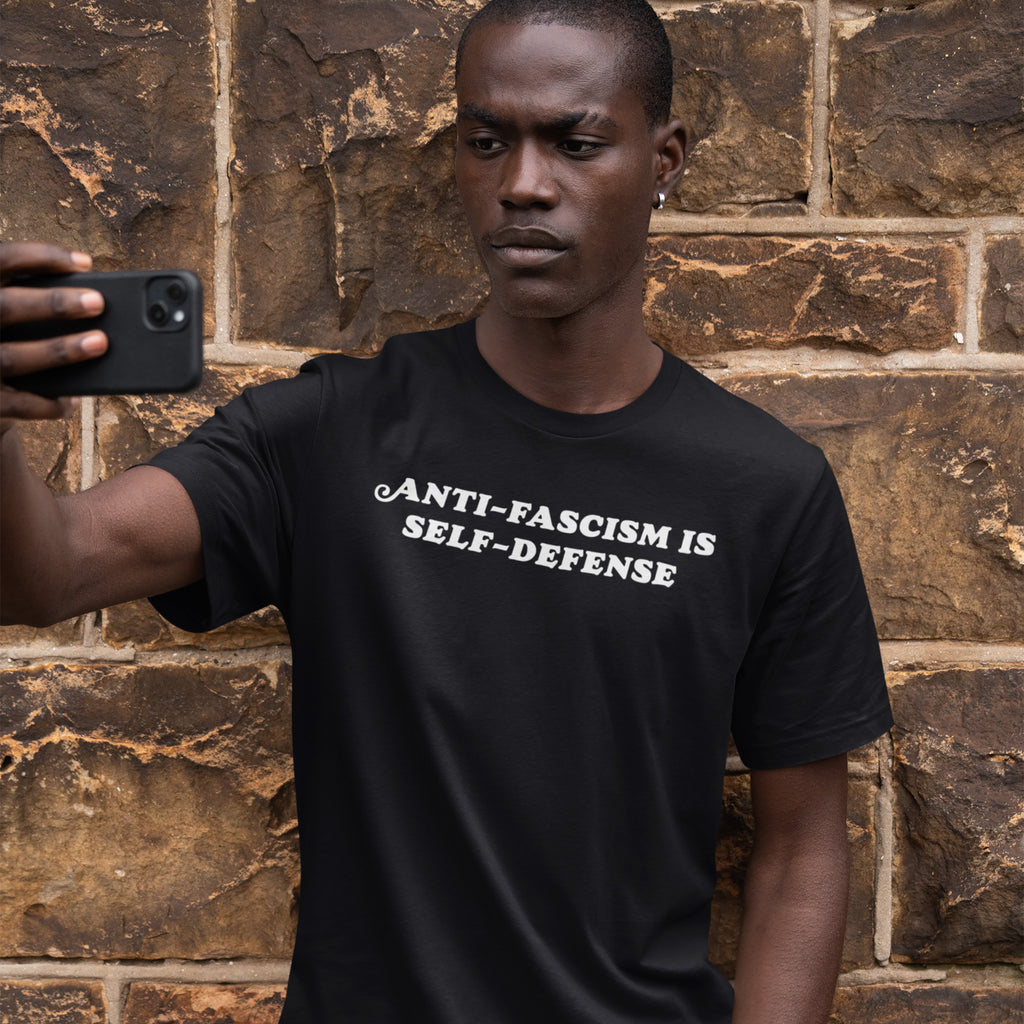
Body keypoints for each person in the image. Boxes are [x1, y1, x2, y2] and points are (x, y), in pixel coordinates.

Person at [0, 0, 893, 1021]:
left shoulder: (764, 486)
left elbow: (800, 847)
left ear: (665, 156)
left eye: (575, 142)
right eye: (485, 141)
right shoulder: (330, 431)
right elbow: (48, 573)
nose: (522, 183)